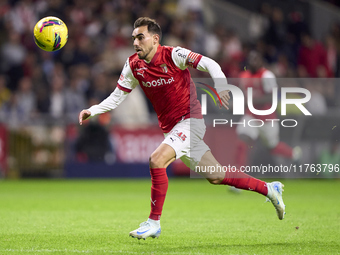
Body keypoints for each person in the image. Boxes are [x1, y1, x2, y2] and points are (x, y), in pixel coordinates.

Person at [79, 17, 285, 240]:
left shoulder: (173, 55)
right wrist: (94, 109)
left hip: (191, 121)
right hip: (172, 129)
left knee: (157, 160)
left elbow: (211, 64)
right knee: (216, 176)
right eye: (133, 38)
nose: (135, 43)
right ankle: (269, 188)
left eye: (140, 37)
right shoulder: (133, 65)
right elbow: (117, 96)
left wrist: (222, 86)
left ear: (155, 39)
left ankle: (153, 222)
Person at [235, 51, 301, 169]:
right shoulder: (244, 76)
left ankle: (293, 154)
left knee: (272, 147)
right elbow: (242, 95)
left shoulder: (267, 75)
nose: (252, 62)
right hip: (251, 115)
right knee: (242, 141)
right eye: (250, 59)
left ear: (261, 61)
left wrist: (249, 102)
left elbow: (272, 97)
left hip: (267, 117)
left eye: (255, 59)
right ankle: (238, 176)